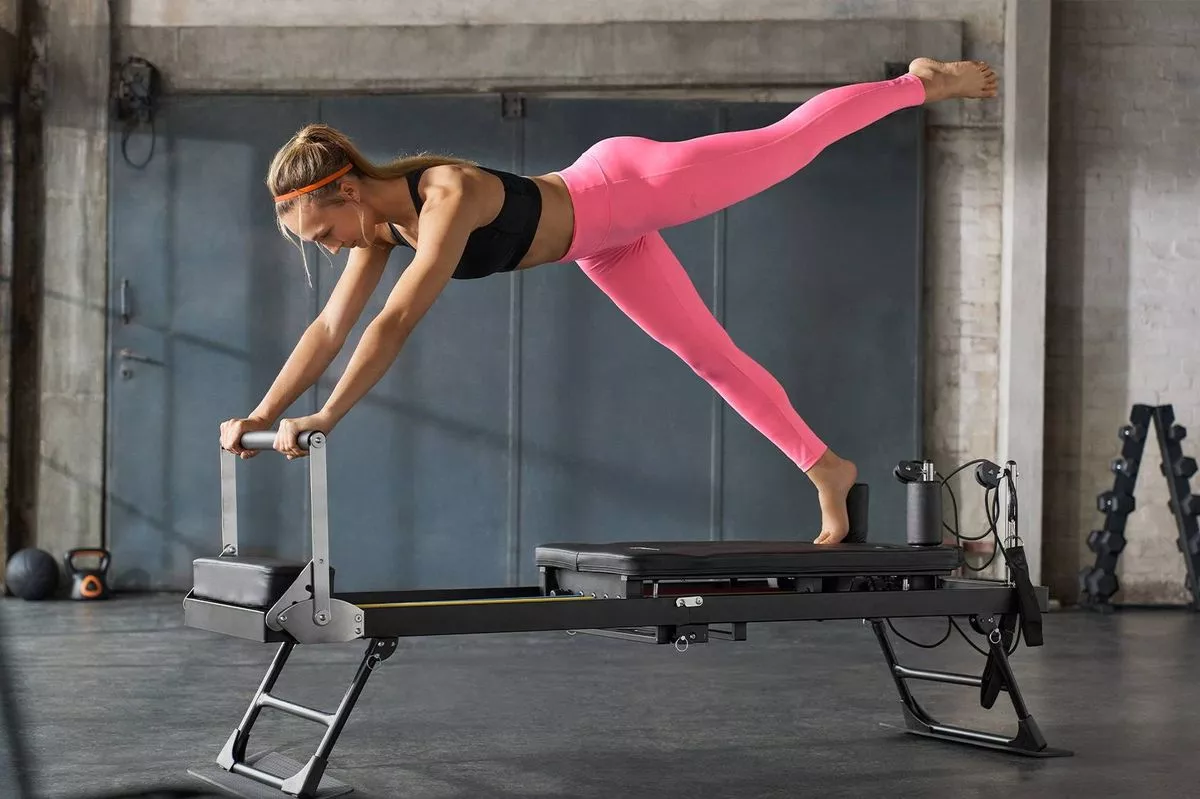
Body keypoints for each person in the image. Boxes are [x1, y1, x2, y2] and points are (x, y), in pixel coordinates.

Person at [219, 57, 998, 545]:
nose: (329, 248)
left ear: (348, 188)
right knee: (708, 356)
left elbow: (394, 320)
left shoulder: (444, 193)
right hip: (601, 243)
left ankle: (917, 83)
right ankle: (826, 467)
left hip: (627, 186)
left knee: (788, 142)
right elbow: (329, 327)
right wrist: (263, 410)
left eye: (324, 230)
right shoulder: (379, 228)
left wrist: (327, 415)